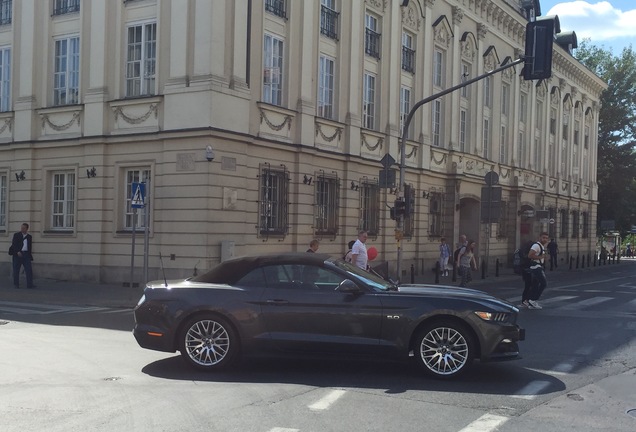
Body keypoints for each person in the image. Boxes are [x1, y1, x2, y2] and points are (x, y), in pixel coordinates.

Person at [522, 232, 550, 309]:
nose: (545, 239)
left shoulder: (541, 246)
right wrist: (541, 257)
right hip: (536, 267)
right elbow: (530, 255)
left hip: (538, 266)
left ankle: (528, 300)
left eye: (546, 238)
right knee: (543, 283)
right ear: (539, 238)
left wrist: (543, 258)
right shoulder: (536, 246)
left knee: (535, 285)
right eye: (543, 237)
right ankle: (533, 300)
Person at [10, 223, 35, 289]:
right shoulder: (17, 235)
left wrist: (29, 255)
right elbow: (14, 244)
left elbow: (29, 247)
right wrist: (17, 251)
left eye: (24, 228)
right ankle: (16, 284)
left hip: (26, 254)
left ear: (27, 229)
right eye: (21, 228)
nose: (22, 229)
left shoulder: (29, 237)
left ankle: (30, 285)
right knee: (16, 270)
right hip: (17, 254)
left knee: (29, 270)